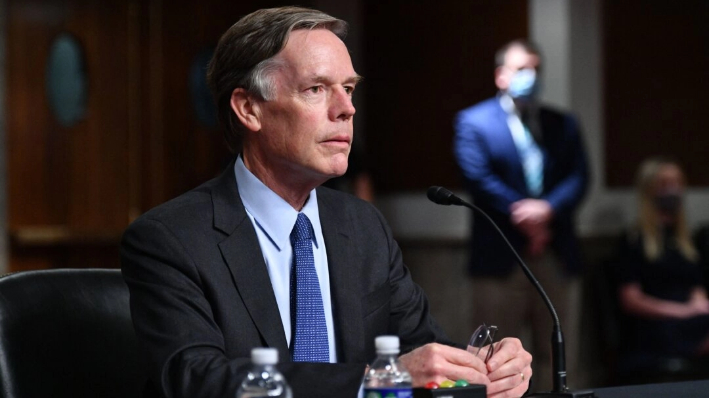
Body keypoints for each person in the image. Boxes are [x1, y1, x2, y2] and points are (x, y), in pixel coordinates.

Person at [121, 7, 532, 398]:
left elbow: (422, 353)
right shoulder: (171, 239)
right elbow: (196, 381)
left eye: (349, 89)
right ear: (249, 109)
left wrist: (477, 372)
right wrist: (376, 381)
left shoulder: (362, 226)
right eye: (316, 89)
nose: (347, 109)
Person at [453, 39, 589, 390]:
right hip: (500, 256)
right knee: (493, 362)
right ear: (501, 76)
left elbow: (579, 177)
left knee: (557, 358)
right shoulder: (474, 122)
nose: (530, 76)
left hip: (555, 254)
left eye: (535, 69)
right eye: (520, 69)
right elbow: (478, 178)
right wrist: (525, 215)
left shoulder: (563, 123)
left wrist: (547, 211)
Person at [612, 158, 709, 364]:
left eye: (677, 184)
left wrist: (699, 303)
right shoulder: (633, 241)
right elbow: (631, 300)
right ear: (648, 191)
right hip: (656, 324)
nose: (673, 191)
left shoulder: (685, 240)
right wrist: (682, 311)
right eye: (665, 185)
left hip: (691, 319)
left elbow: (695, 284)